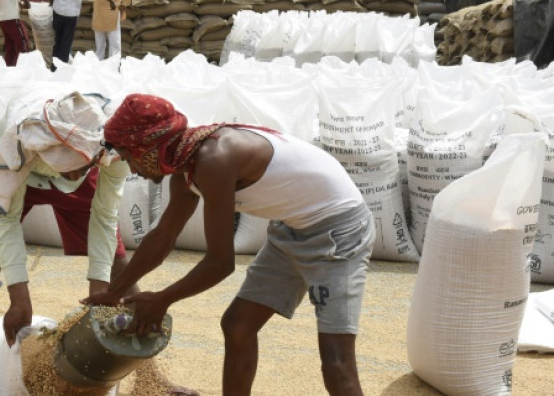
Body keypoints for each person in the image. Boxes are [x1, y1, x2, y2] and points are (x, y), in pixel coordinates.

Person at [85, 94, 376, 396]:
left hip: (339, 231)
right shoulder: (186, 166)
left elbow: (220, 263)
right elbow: (163, 238)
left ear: (149, 148)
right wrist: (114, 292)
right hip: (292, 227)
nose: (133, 169)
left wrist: (162, 300)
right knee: (237, 326)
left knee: (337, 363)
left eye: (130, 157)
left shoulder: (215, 159)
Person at [0, 91, 195, 396]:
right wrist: (18, 296)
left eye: (82, 163)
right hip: (18, 172)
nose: (76, 172)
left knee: (119, 266)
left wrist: (101, 290)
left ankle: (150, 380)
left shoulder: (113, 140)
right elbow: (6, 221)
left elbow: (104, 217)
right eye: (69, 166)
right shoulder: (13, 146)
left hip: (88, 169)